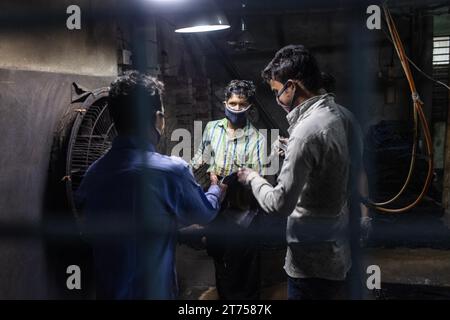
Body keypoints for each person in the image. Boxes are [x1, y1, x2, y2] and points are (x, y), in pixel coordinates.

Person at [75, 71, 226, 299]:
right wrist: (217, 189)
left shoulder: (92, 175)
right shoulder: (171, 171)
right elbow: (205, 213)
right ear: (158, 118)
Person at [237, 45, 365, 300]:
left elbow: (279, 204)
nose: (277, 100)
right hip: (336, 250)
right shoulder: (339, 117)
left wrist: (253, 178)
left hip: (311, 264)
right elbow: (341, 171)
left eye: (277, 92)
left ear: (292, 86)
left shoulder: (306, 132)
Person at [191, 80, 266, 299]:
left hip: (245, 211)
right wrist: (186, 170)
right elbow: (201, 157)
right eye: (232, 103)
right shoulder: (212, 128)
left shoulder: (258, 139)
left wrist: (230, 180)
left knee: (246, 269)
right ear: (225, 102)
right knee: (221, 262)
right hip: (218, 207)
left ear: (250, 106)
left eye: (242, 104)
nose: (236, 108)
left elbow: (256, 178)